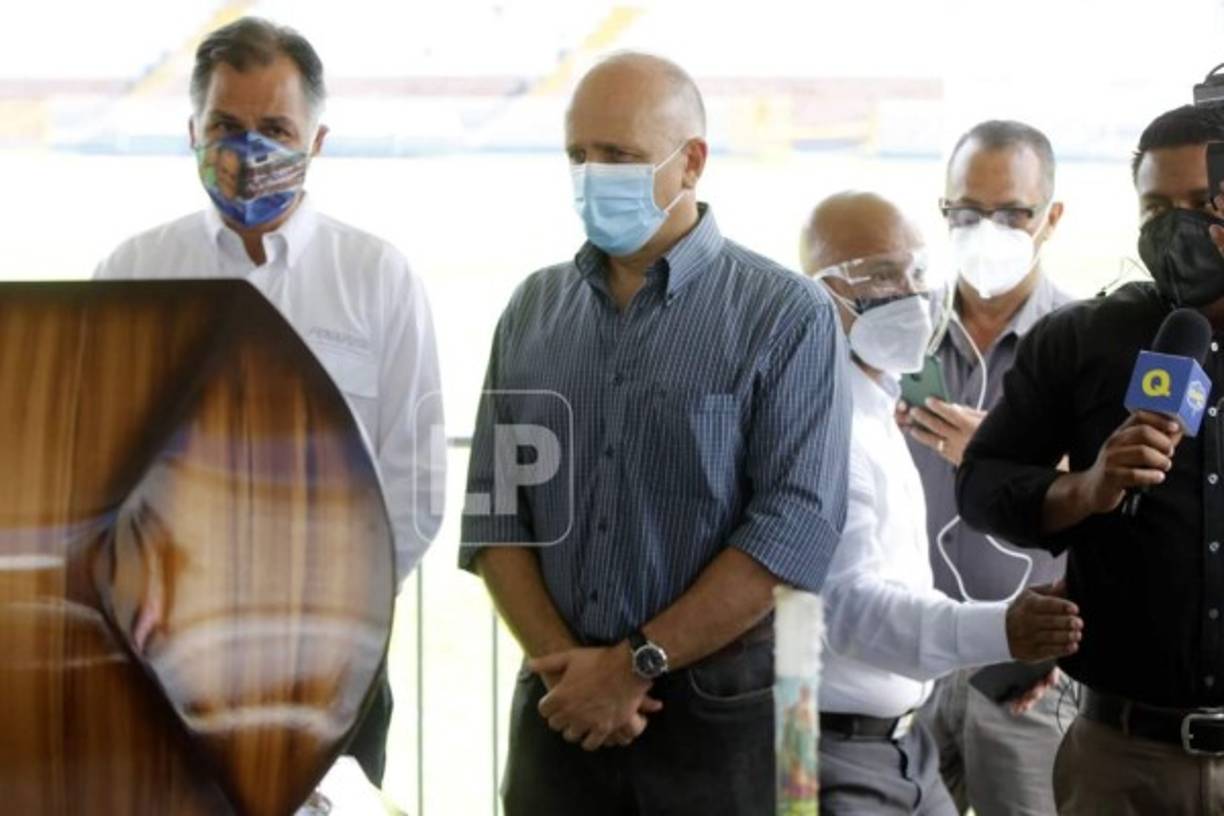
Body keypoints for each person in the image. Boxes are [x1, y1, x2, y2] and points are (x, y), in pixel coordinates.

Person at [458, 52, 851, 815]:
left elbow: (793, 528)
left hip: (717, 723)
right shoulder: (533, 312)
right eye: (578, 155)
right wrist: (570, 674)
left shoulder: (785, 315)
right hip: (559, 712)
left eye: (619, 156)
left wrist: (635, 664)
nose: (592, 174)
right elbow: (496, 510)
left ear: (692, 162)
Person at [93, 17, 445, 786]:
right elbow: (97, 472)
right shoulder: (132, 272)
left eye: (276, 128)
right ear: (192, 131)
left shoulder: (377, 279)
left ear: (316, 140)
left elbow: (414, 486)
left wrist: (322, 623)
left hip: (329, 669)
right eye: (227, 125)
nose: (249, 149)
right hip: (162, 665)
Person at [957, 104, 1224, 814]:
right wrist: (1087, 488)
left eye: (1204, 204)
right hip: (1121, 758)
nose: (1179, 226)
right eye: (1157, 207)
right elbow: (982, 486)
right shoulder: (1081, 339)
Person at [802, 191, 1083, 815]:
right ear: (816, 295)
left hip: (903, 739)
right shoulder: (830, 429)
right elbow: (847, 608)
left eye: (917, 272)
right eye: (878, 274)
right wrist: (1002, 629)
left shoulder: (878, 405)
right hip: (840, 750)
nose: (909, 293)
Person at [899, 120, 1077, 815]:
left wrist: (1002, 453)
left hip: (1027, 673)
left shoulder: (1084, 341)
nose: (987, 231)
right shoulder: (895, 335)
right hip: (904, 657)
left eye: (1013, 214)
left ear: (1052, 219)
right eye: (967, 213)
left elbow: (1134, 506)